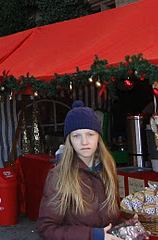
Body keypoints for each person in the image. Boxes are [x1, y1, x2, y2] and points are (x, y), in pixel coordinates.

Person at [37, 101, 123, 240]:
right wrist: (92, 235)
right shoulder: (59, 176)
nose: (84, 142)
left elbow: (111, 221)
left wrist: (128, 228)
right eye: (76, 135)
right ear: (69, 140)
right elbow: (47, 229)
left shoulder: (107, 170)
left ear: (98, 138)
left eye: (90, 134)